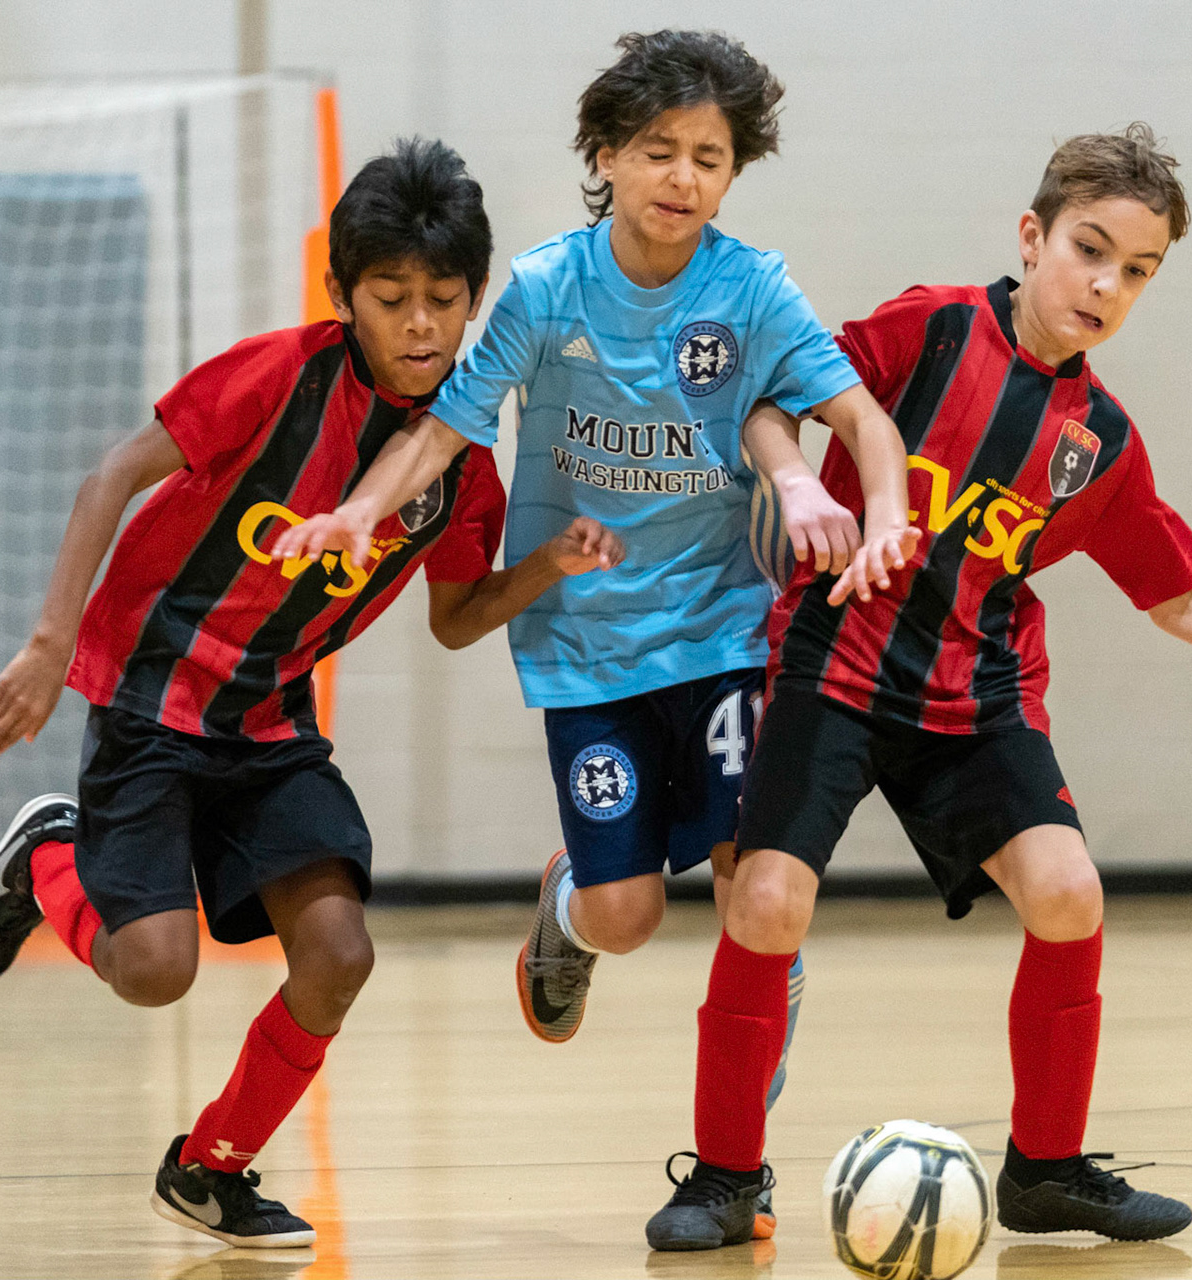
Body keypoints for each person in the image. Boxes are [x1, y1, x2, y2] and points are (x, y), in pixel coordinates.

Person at [644, 123, 1192, 1250]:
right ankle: (724, 1179)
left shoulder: (1099, 441)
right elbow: (774, 399)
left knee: (1070, 893)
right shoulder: (927, 328)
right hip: (833, 666)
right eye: (1089, 249)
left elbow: (1177, 596)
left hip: (977, 697)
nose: (1107, 284)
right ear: (1031, 236)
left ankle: (1048, 1169)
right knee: (767, 902)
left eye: (1138, 270)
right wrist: (795, 483)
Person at [271, 30, 917, 1241]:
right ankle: (568, 904)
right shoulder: (547, 286)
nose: (683, 176)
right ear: (607, 154)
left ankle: (737, 1162)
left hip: (724, 632)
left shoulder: (755, 289)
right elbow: (447, 431)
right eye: (659, 150)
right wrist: (360, 510)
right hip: (586, 647)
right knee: (627, 913)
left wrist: (876, 512)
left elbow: (863, 418)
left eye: (710, 157)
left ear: (735, 173)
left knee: (750, 891)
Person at [0, 138, 623, 1250]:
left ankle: (212, 1167)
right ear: (344, 295)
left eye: (441, 301)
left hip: (269, 725)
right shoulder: (279, 374)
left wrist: (544, 568)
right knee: (156, 971)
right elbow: (110, 475)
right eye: (390, 297)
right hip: (152, 702)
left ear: (473, 304)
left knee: (342, 951)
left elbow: (452, 621)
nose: (417, 325)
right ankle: (46, 857)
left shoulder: (460, 469)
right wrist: (45, 641)